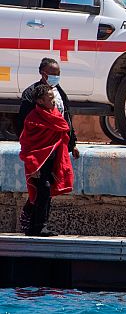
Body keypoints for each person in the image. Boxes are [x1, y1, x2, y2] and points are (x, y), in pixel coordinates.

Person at [18, 85, 74, 236]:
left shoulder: (54, 115)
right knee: (43, 190)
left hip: (50, 163)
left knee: (45, 193)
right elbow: (28, 145)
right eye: (49, 99)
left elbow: (63, 131)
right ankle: (39, 226)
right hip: (37, 164)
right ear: (40, 101)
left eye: (53, 98)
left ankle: (36, 227)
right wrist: (33, 166)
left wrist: (71, 147)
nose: (53, 101)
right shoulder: (33, 119)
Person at [17, 58, 79, 159]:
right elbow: (24, 123)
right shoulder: (31, 94)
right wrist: (30, 152)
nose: (55, 77)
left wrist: (72, 144)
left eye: (58, 74)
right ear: (42, 73)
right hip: (40, 148)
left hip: (59, 146)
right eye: (52, 74)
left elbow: (66, 118)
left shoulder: (60, 92)